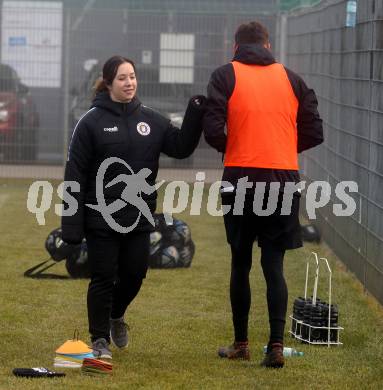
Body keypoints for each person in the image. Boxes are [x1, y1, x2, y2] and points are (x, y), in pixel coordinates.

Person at [61, 55, 206, 359]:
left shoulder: (150, 120)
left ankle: (116, 316)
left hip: (137, 215)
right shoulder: (90, 122)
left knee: (135, 273)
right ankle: (99, 340)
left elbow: (180, 148)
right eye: (122, 78)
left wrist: (195, 112)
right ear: (109, 83)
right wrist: (71, 225)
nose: (129, 83)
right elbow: (74, 174)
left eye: (132, 77)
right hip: (100, 215)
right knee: (102, 276)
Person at [203, 21, 323, 368]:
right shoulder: (293, 79)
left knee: (240, 262)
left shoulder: (225, 75)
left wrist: (235, 146)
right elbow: (314, 130)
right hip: (283, 176)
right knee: (274, 264)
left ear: (235, 46)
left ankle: (241, 343)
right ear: (268, 46)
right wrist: (283, 146)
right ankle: (275, 345)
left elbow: (212, 129)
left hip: (240, 174)